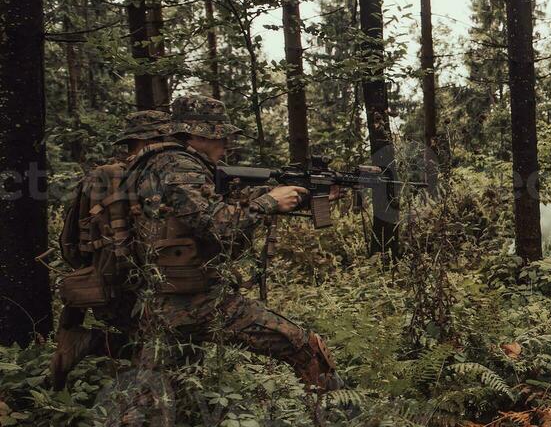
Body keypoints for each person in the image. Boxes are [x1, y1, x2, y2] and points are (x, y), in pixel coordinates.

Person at [124, 94, 338, 390]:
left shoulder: (165, 162)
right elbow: (214, 223)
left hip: (166, 298)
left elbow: (219, 204)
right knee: (303, 347)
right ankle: (345, 421)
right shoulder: (178, 166)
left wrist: (299, 195)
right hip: (196, 301)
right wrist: (268, 202)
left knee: (166, 398)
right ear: (198, 134)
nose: (225, 145)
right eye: (221, 137)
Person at [50, 110, 177, 386]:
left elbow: (69, 241)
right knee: (166, 347)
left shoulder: (100, 176)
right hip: (153, 286)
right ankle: (93, 346)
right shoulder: (164, 178)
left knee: (147, 344)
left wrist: (91, 267)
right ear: (159, 139)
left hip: (108, 284)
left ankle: (89, 344)